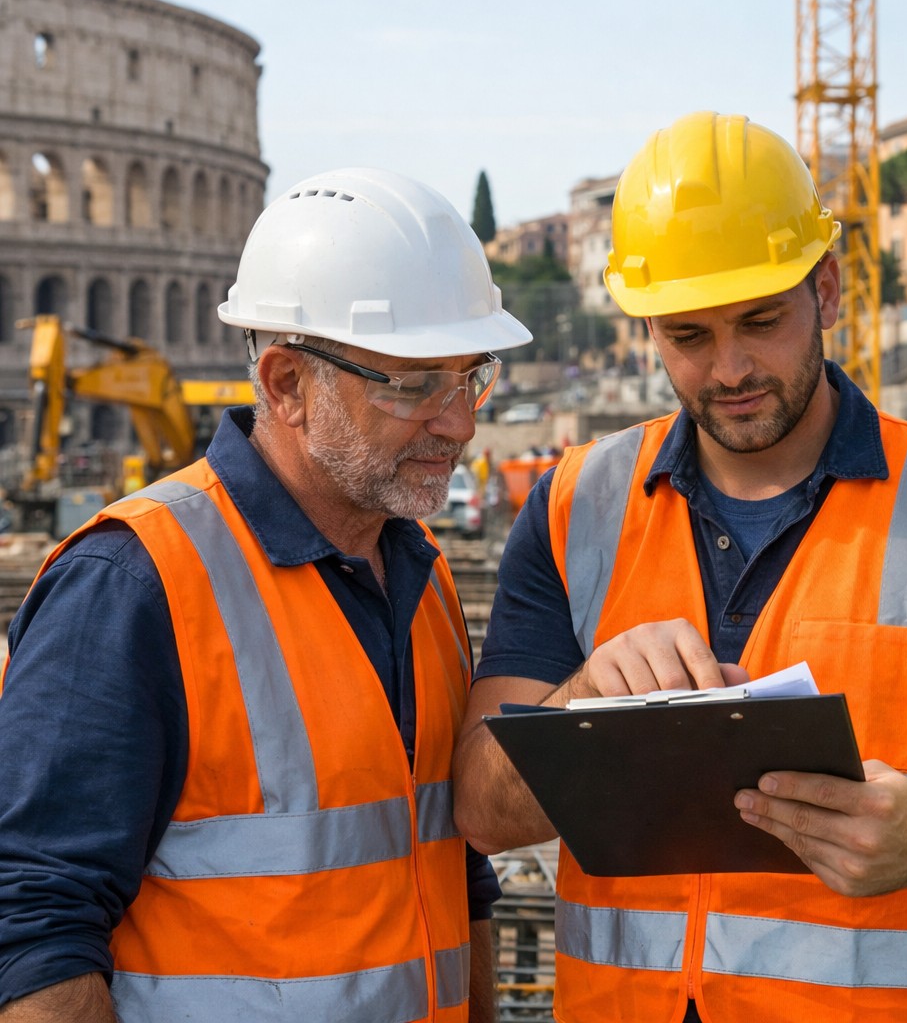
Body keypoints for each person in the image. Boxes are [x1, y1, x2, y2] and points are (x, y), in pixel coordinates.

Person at [452, 111, 907, 1023]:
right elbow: (480, 807)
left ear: (826, 289)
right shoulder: (575, 505)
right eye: (688, 336)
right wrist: (579, 704)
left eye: (762, 320)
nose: (732, 367)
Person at [0, 167, 532, 1022]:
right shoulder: (133, 586)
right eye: (414, 381)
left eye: (472, 376)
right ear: (286, 383)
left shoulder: (423, 576)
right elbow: (30, 930)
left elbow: (451, 871)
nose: (460, 422)